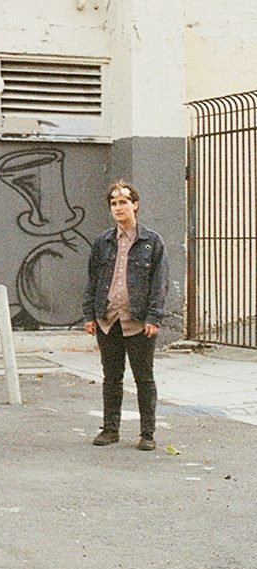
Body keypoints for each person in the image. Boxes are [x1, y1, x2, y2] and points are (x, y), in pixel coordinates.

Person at [83, 180, 169, 451]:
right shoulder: (102, 242)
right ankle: (110, 429)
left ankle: (147, 433)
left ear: (135, 205)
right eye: (114, 203)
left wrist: (154, 317)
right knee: (111, 377)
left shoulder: (151, 242)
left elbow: (160, 282)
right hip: (108, 320)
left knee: (144, 378)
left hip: (139, 322)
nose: (118, 207)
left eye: (123, 202)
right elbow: (92, 280)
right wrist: (89, 315)